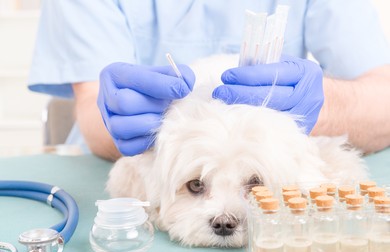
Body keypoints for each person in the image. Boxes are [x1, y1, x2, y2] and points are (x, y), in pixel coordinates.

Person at [28, 0, 390, 162]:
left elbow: (383, 102)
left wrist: (323, 107)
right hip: (122, 179)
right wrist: (120, 118)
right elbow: (94, 108)